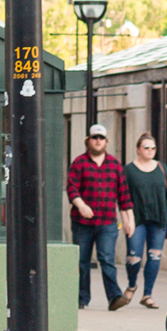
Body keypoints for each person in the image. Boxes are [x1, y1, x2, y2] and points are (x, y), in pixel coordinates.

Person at [67, 124, 135, 311]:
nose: (98, 141)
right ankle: (81, 298)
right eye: (94, 138)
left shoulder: (115, 165)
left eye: (101, 138)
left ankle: (114, 298)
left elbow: (124, 196)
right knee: (82, 261)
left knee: (107, 259)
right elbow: (71, 188)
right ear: (88, 140)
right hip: (83, 223)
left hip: (108, 223)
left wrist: (129, 220)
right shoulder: (79, 163)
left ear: (106, 142)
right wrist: (81, 205)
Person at [124, 133, 167, 310]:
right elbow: (123, 197)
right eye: (146, 148)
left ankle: (147, 294)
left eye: (153, 148)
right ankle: (131, 285)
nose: (150, 151)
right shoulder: (129, 170)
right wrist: (125, 220)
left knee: (154, 255)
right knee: (134, 257)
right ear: (138, 149)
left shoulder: (161, 167)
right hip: (136, 219)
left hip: (159, 219)